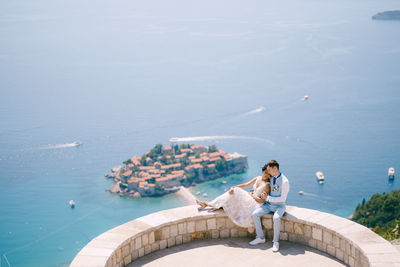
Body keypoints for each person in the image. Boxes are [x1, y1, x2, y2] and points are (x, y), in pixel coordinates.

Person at [196, 166, 271, 232]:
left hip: (256, 203)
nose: (266, 175)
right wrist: (233, 187)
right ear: (263, 171)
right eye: (265, 172)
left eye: (268, 174)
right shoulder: (257, 178)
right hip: (251, 198)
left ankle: (208, 204)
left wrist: (251, 195)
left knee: (236, 191)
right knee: (234, 192)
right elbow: (246, 185)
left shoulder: (267, 185)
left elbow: (262, 200)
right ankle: (210, 204)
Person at [249, 160, 290, 252]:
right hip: (268, 205)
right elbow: (262, 186)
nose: (267, 172)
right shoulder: (270, 178)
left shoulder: (285, 181)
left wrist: (267, 198)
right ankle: (260, 237)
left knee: (276, 218)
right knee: (255, 214)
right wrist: (255, 193)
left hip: (279, 206)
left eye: (269, 170)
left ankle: (276, 242)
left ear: (274, 168)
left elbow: (282, 199)